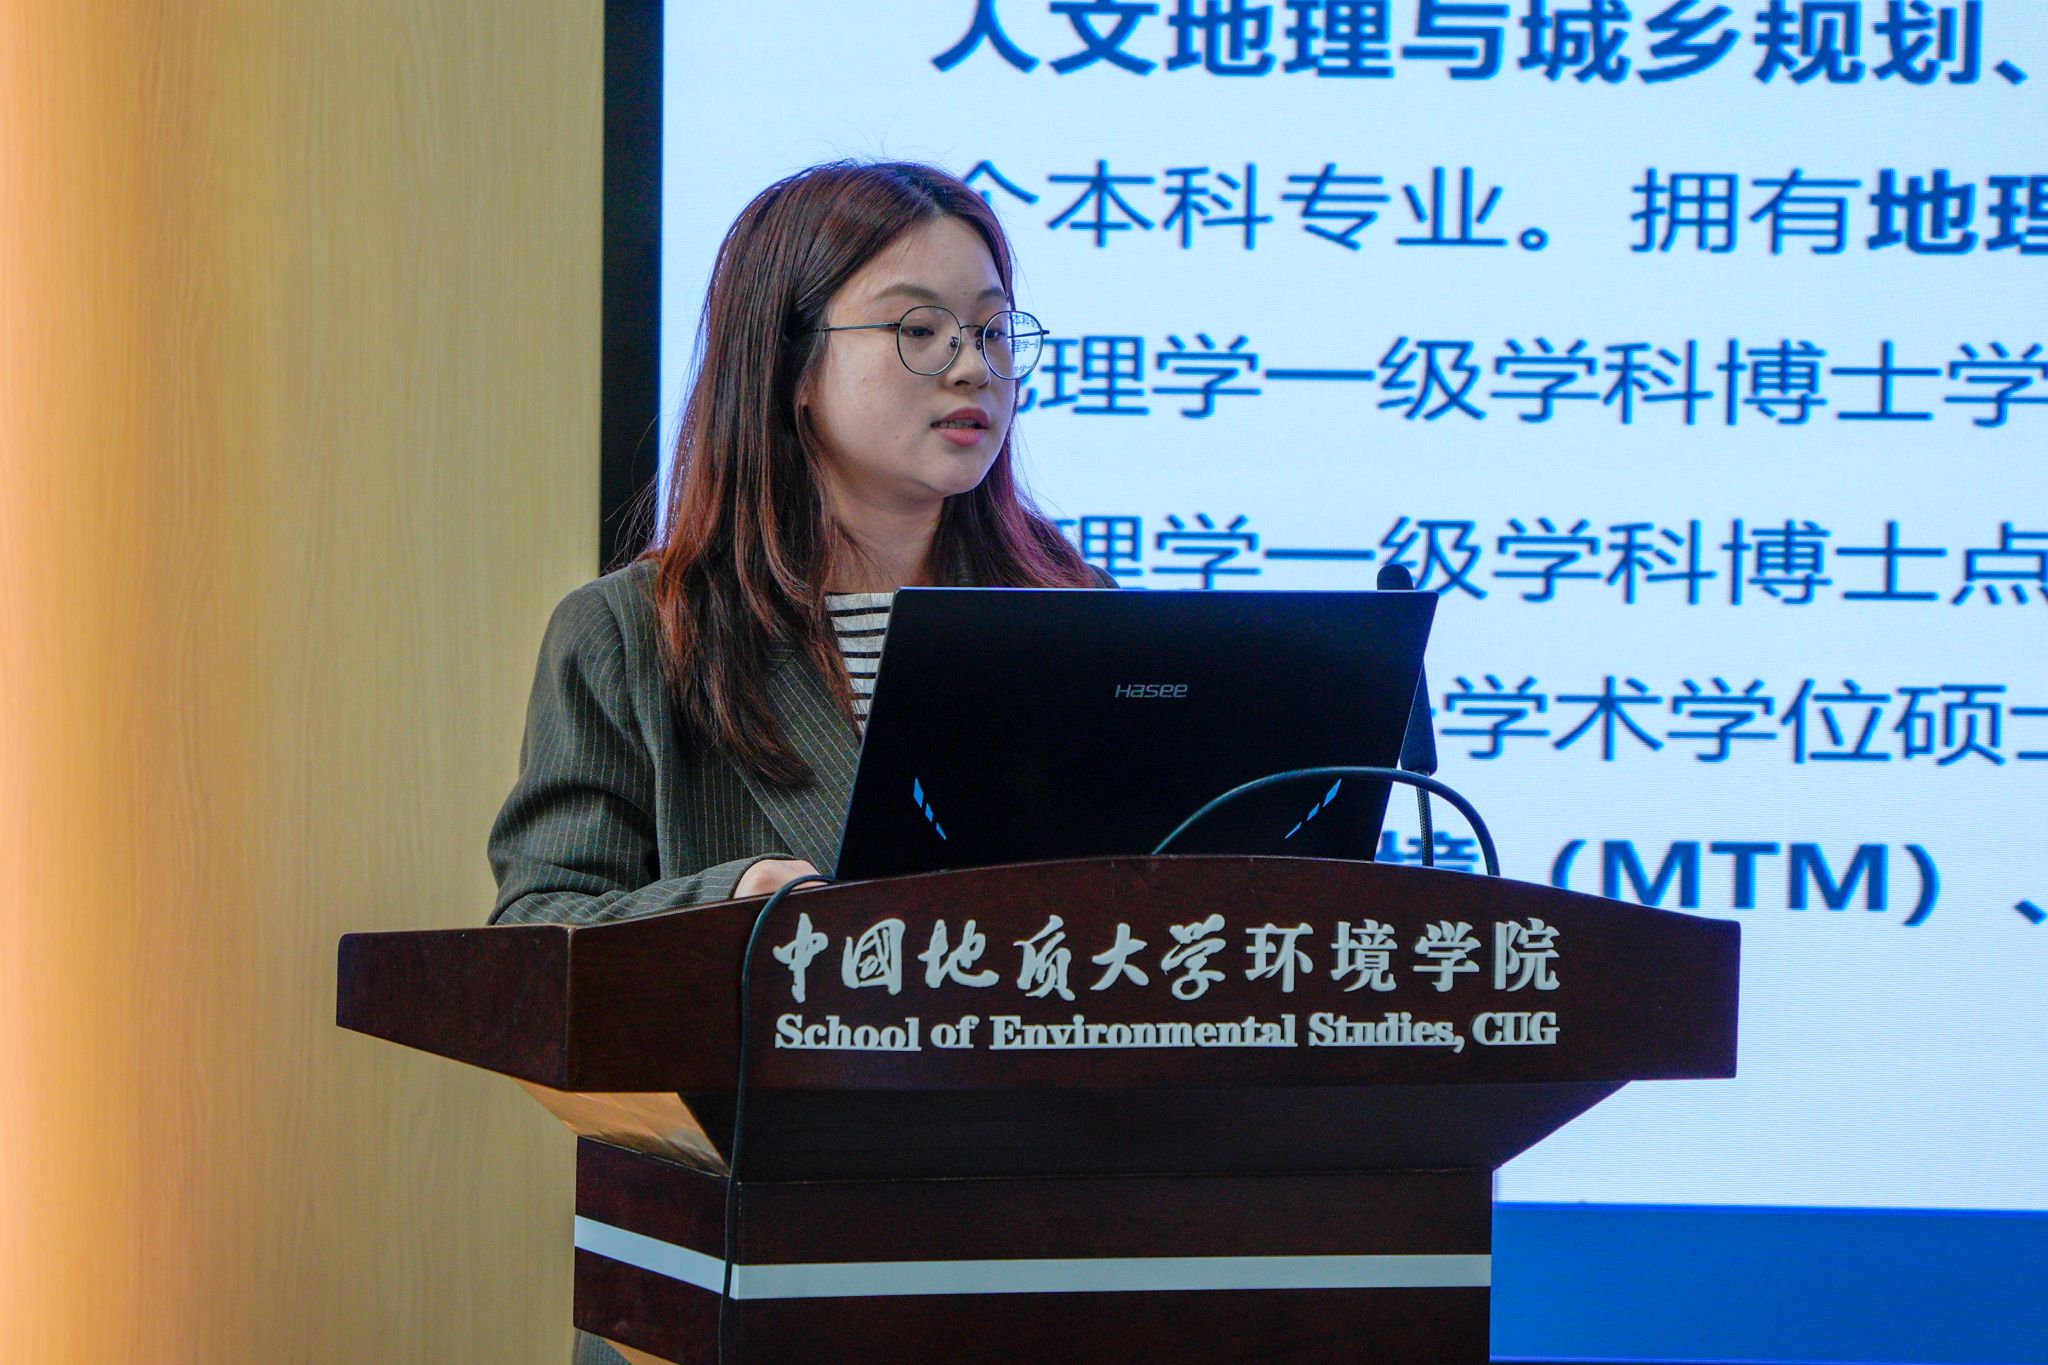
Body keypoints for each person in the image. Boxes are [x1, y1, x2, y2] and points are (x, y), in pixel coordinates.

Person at [484, 161, 1104, 1365]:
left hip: (1043, 1249)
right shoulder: (633, 635)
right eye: (917, 331)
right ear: (789, 364)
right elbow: (535, 939)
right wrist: (736, 904)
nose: (972, 368)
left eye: (991, 330)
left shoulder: (1077, 620)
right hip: (747, 1264)